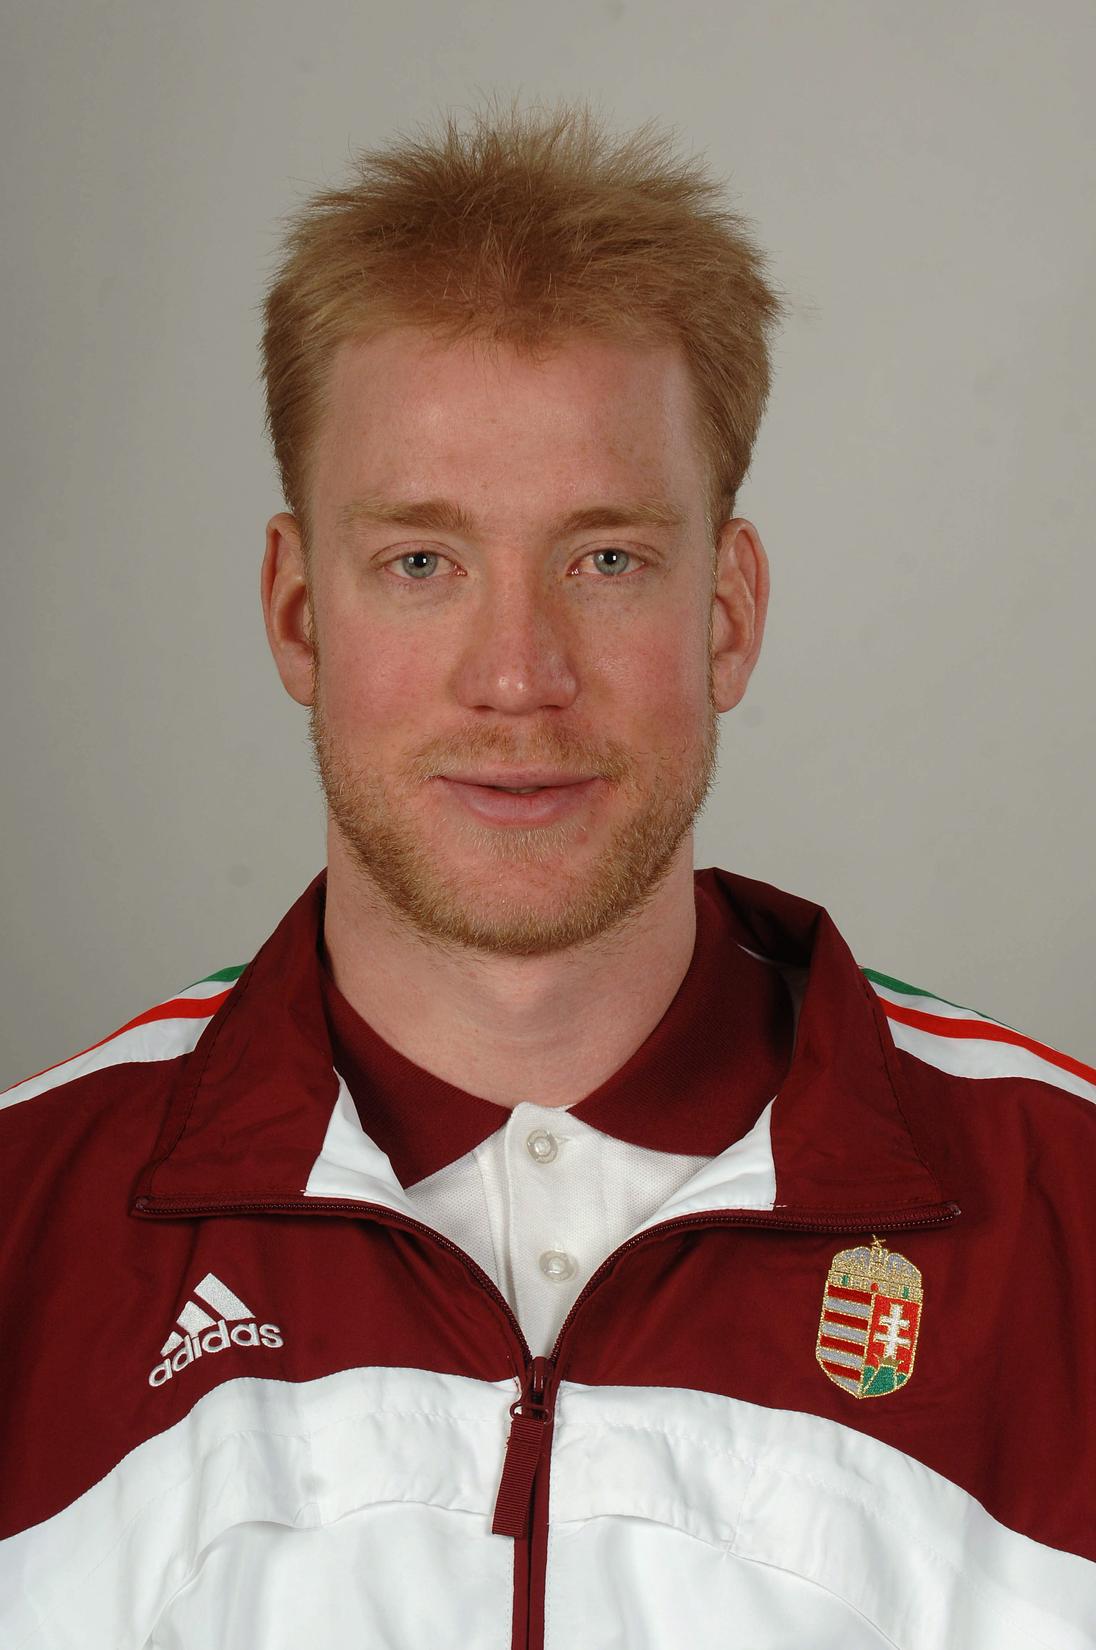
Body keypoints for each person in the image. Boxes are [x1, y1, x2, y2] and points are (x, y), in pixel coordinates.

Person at [2, 95, 1093, 1650]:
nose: (517, 676)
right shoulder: (24, 1224)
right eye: (422, 562)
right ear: (299, 616)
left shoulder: (1072, 1213)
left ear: (728, 613)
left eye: (607, 559)